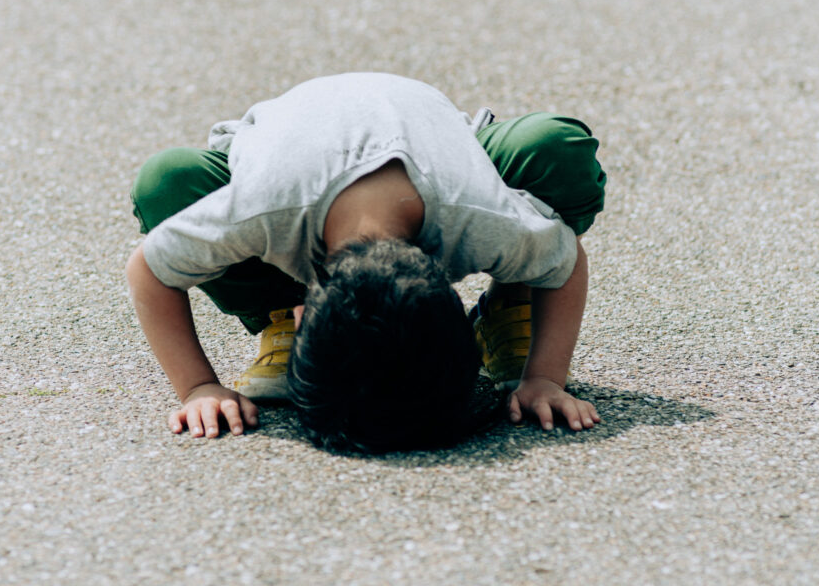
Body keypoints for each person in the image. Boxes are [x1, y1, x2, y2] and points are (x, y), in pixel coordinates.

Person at [125, 72, 607, 454]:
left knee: (556, 148)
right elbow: (147, 271)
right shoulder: (258, 209)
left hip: (439, 147)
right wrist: (197, 386)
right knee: (167, 182)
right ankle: (273, 311)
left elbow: (566, 261)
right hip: (287, 156)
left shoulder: (484, 218)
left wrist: (544, 375)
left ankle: (511, 302)